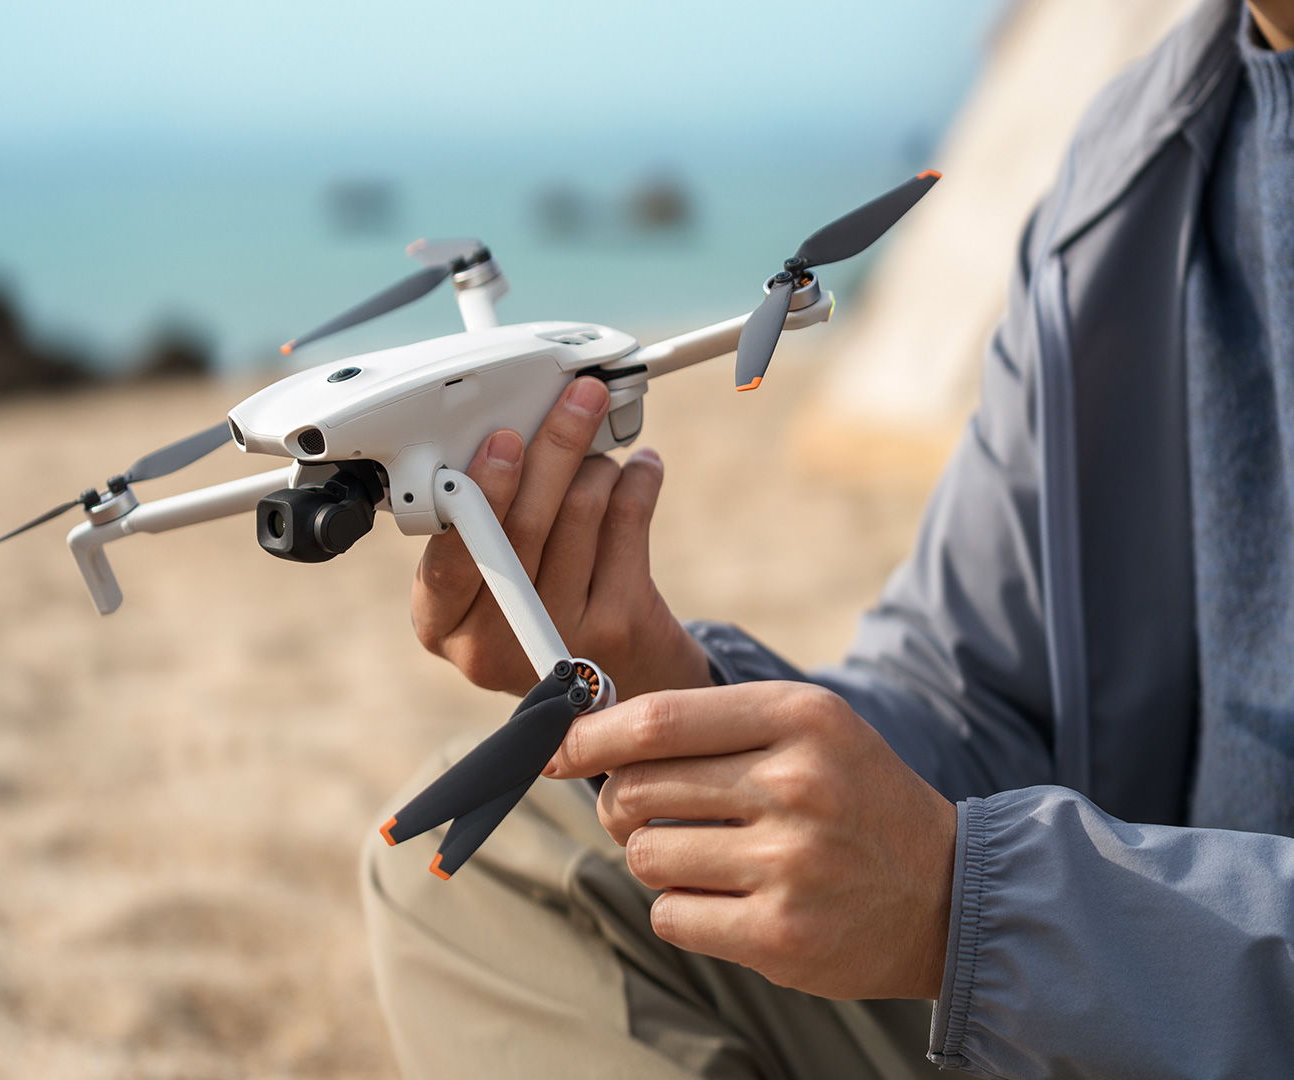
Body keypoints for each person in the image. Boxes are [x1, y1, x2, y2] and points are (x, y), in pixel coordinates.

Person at [360, 0, 1294, 1076]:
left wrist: (968, 903)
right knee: (501, 857)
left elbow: (971, 879)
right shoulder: (1137, 165)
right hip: (1125, 991)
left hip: (1159, 980)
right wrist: (669, 680)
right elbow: (982, 698)